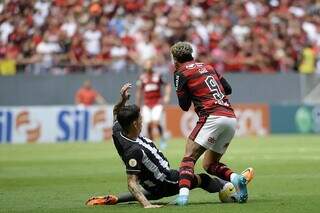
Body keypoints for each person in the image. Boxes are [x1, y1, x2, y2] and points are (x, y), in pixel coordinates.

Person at [85, 83, 238, 208]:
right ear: (134, 123)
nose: (142, 120)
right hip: (166, 180)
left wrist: (123, 100)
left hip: (153, 184)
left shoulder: (119, 131)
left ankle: (114, 199)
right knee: (201, 179)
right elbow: (131, 182)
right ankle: (230, 186)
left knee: (154, 192)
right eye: (140, 118)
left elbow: (116, 111)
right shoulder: (134, 151)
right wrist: (147, 206)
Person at [170, 41, 254, 205]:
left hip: (211, 116)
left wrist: (188, 90)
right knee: (209, 164)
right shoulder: (208, 67)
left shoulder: (180, 72)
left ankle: (183, 197)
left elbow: (184, 106)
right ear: (191, 55)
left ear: (175, 59)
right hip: (230, 117)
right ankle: (236, 179)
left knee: (189, 157)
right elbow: (228, 89)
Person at [136, 59, 171, 150]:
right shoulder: (142, 77)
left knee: (156, 121)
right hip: (147, 104)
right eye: (147, 64)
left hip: (157, 103)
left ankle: (162, 139)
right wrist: (138, 104)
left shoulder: (158, 76)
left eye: (150, 64)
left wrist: (167, 96)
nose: (149, 66)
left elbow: (167, 85)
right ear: (145, 66)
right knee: (148, 123)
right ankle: (151, 142)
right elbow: (139, 91)